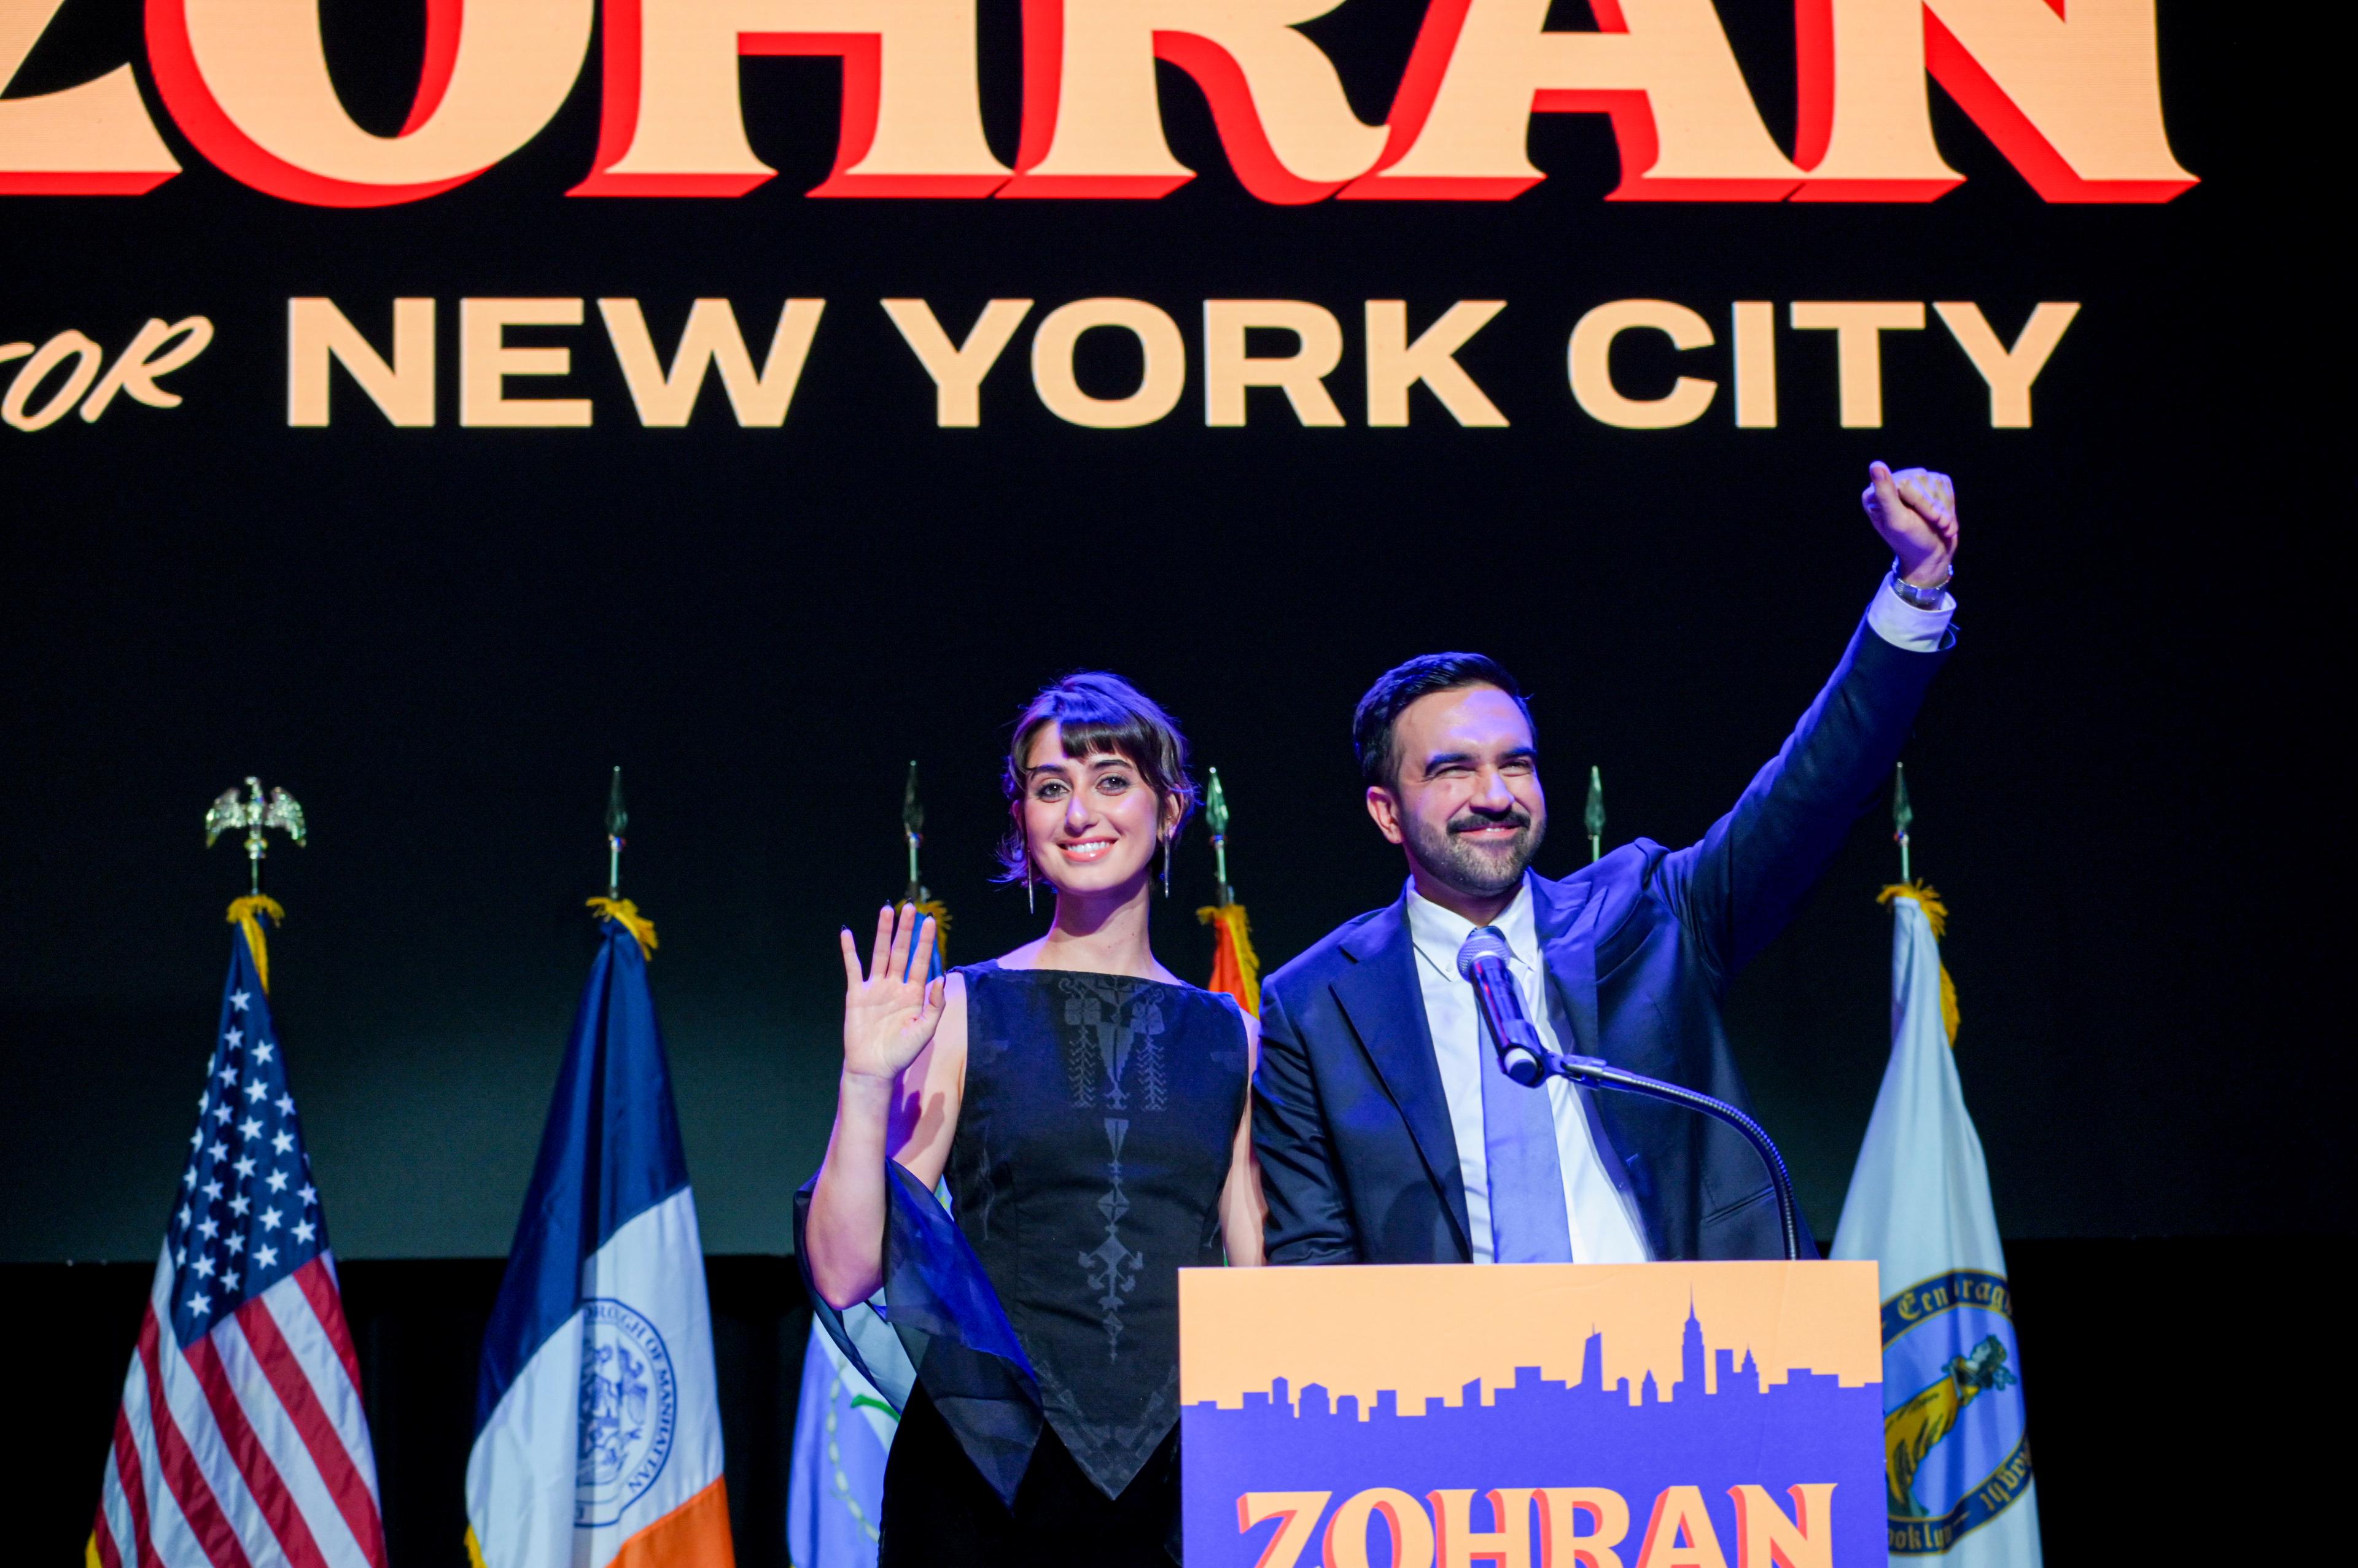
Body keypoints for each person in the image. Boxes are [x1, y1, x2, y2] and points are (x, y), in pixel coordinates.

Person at [1251, 462, 1961, 1267]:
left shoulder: (1650, 913)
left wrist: (1918, 586)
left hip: (1692, 1361)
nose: (1495, 794)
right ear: (1386, 811)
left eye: (1515, 763)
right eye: (1454, 770)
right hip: (1452, 1382)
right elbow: (1315, 1261)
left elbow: (1811, 791)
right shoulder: (1315, 1003)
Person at [800, 672, 1263, 1568]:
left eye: (1112, 780)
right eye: (1052, 787)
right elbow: (845, 1268)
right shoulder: (964, 1010)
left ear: (1170, 812)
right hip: (985, 1482)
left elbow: (1257, 1280)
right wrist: (864, 1082)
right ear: (1022, 822)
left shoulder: (1231, 1034)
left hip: (1176, 1485)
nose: (1079, 810)